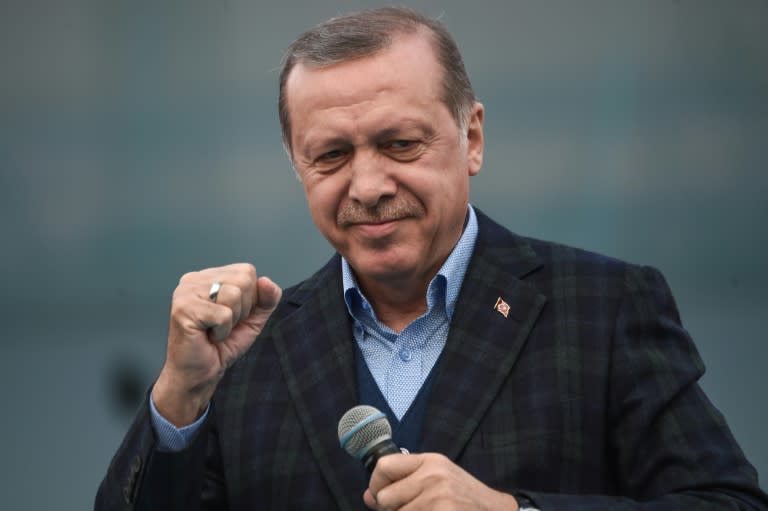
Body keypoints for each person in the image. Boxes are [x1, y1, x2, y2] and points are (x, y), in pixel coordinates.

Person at [95, 7, 767, 511]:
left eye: (399, 144)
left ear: (470, 137)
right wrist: (181, 395)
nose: (367, 185)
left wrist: (513, 510)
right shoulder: (245, 350)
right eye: (331, 155)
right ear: (298, 167)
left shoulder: (604, 308)